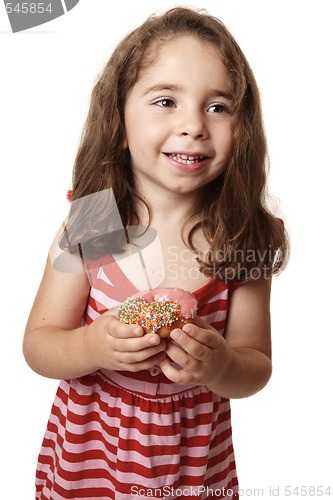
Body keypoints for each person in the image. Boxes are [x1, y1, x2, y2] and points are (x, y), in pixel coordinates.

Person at [24, 6, 289, 500]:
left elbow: (257, 365)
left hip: (193, 469)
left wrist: (222, 365)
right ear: (120, 123)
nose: (193, 125)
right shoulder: (94, 222)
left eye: (218, 107)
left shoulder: (242, 236)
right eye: (166, 100)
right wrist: (94, 345)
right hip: (92, 460)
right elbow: (38, 346)